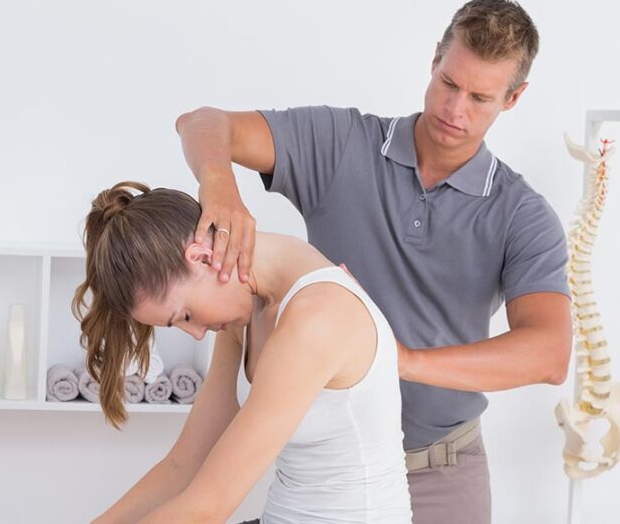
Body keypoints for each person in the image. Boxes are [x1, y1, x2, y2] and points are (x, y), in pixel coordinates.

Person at [173, 0, 572, 524]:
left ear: (513, 98)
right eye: (449, 84)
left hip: (441, 473)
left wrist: (397, 358)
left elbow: (548, 354)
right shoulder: (343, 147)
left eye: (480, 97)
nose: (455, 110)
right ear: (434, 60)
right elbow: (202, 122)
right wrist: (219, 185)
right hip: (331, 470)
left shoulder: (521, 215)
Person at [75, 181, 413, 523]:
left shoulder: (318, 316)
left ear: (202, 258)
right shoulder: (244, 313)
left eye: (186, 316)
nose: (195, 334)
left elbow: (209, 505)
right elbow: (184, 464)